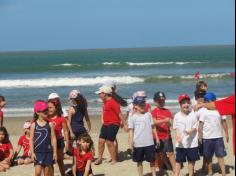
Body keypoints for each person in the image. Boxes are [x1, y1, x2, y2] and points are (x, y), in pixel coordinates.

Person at [198, 92, 228, 176]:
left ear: (214, 101)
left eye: (209, 101)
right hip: (207, 138)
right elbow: (200, 125)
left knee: (220, 155)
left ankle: (223, 172)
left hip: (218, 137)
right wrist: (200, 137)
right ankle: (210, 171)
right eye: (206, 101)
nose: (207, 103)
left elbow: (224, 122)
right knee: (208, 156)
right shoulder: (204, 112)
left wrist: (226, 134)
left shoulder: (220, 110)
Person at [128, 96, 160, 176]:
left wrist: (157, 138)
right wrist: (131, 141)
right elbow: (131, 131)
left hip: (149, 143)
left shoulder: (148, 115)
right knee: (139, 161)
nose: (142, 106)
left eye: (143, 104)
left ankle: (154, 174)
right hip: (138, 144)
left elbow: (153, 127)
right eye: (139, 104)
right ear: (135, 105)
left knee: (152, 161)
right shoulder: (132, 118)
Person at [94, 86, 126, 165]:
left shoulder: (113, 102)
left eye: (100, 94)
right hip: (106, 124)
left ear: (104, 94)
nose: (99, 95)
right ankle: (100, 158)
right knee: (101, 141)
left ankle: (114, 159)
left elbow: (119, 114)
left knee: (109, 142)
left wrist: (125, 124)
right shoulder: (105, 102)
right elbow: (104, 112)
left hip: (114, 124)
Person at [173, 94, 200, 176]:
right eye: (183, 103)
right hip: (181, 144)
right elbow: (176, 128)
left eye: (188, 102)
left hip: (192, 143)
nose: (186, 104)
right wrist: (178, 136)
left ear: (190, 104)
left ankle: (191, 174)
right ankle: (176, 174)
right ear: (180, 105)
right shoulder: (177, 116)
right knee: (178, 161)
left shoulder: (194, 113)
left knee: (191, 161)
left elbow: (197, 124)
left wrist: (192, 130)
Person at [30, 100, 57, 176]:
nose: (46, 112)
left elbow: (53, 138)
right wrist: (32, 152)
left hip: (48, 152)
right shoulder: (33, 125)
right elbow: (31, 140)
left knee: (47, 173)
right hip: (38, 152)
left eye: (47, 110)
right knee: (37, 172)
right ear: (37, 112)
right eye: (44, 110)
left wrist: (55, 152)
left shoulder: (50, 124)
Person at [152, 91, 176, 175]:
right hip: (157, 137)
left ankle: (175, 170)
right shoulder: (154, 111)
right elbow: (153, 122)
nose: (161, 102)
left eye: (163, 101)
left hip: (167, 136)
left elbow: (171, 123)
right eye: (159, 101)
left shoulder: (167, 111)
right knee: (159, 154)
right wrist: (164, 120)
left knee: (171, 153)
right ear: (155, 101)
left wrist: (169, 122)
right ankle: (161, 170)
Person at [48, 98, 69, 176]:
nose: (49, 109)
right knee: (50, 161)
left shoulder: (61, 119)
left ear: (56, 108)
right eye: (48, 108)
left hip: (59, 141)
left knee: (59, 160)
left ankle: (63, 174)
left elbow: (66, 131)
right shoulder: (46, 118)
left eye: (50, 107)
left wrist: (66, 142)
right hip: (49, 142)